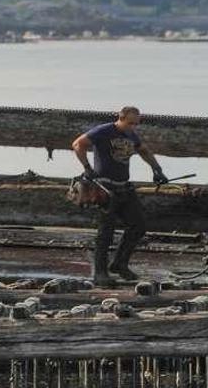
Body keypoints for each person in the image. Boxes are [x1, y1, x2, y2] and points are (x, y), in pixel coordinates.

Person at [71, 106, 169, 285]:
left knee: (138, 226)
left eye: (136, 124)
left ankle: (119, 264)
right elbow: (78, 144)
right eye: (130, 123)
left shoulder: (131, 135)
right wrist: (87, 168)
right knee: (105, 232)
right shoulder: (104, 131)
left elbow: (144, 150)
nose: (133, 127)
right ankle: (100, 273)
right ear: (121, 118)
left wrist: (157, 170)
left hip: (124, 187)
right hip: (104, 188)